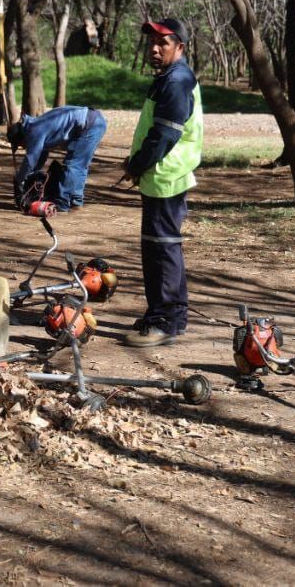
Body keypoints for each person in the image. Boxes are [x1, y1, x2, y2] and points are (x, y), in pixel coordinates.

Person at [120, 18, 203, 348]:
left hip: (165, 176)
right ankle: (170, 314)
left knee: (161, 250)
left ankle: (165, 322)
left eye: (163, 43)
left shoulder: (176, 81)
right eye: (151, 42)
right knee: (164, 246)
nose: (154, 48)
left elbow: (164, 135)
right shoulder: (170, 77)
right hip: (161, 176)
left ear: (179, 47)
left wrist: (136, 165)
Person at [9, 106, 108, 212]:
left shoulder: (35, 131)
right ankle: (76, 202)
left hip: (91, 125)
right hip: (93, 122)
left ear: (22, 137)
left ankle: (62, 202)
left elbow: (31, 159)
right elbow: (41, 157)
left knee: (73, 165)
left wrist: (20, 180)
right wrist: (30, 177)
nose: (23, 147)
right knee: (80, 165)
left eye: (20, 145)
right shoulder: (35, 125)